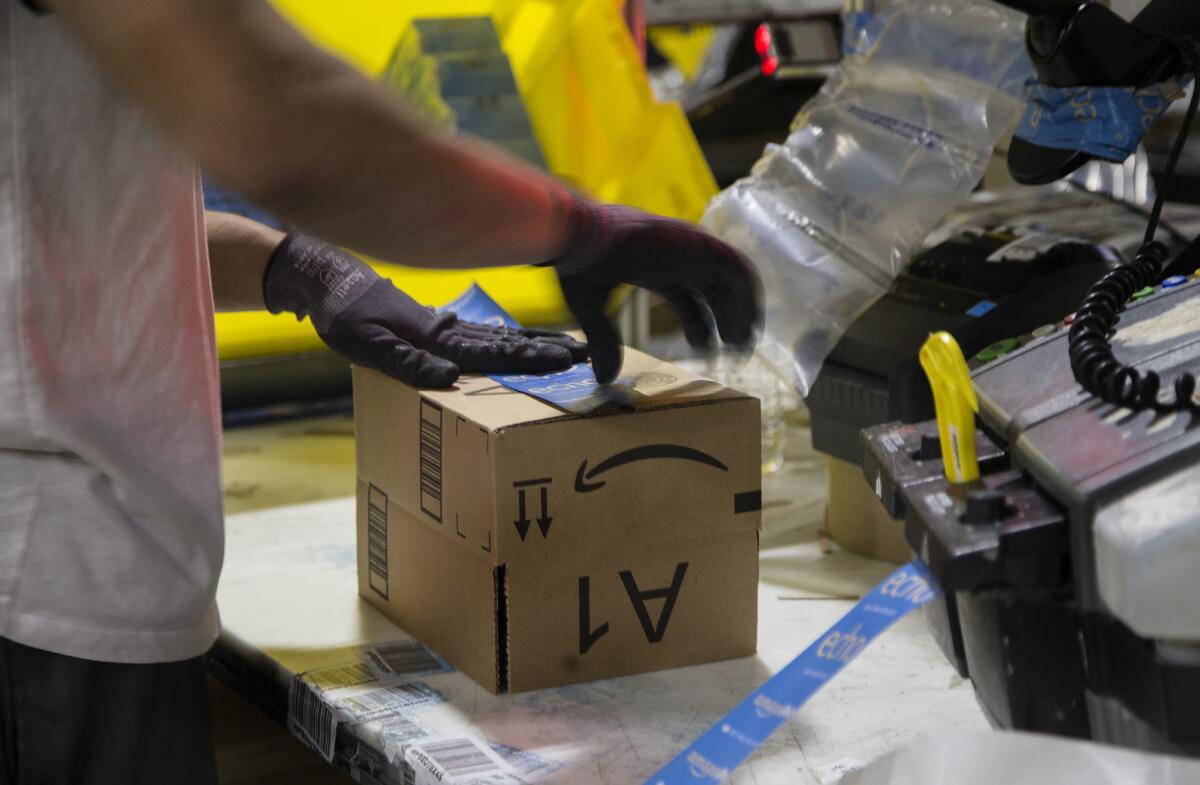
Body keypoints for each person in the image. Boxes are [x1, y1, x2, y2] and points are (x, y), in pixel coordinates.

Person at [0, 0, 761, 782]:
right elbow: (279, 115)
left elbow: (61, 207)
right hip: (45, 591)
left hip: (72, 573)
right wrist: (571, 226)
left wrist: (295, 269)